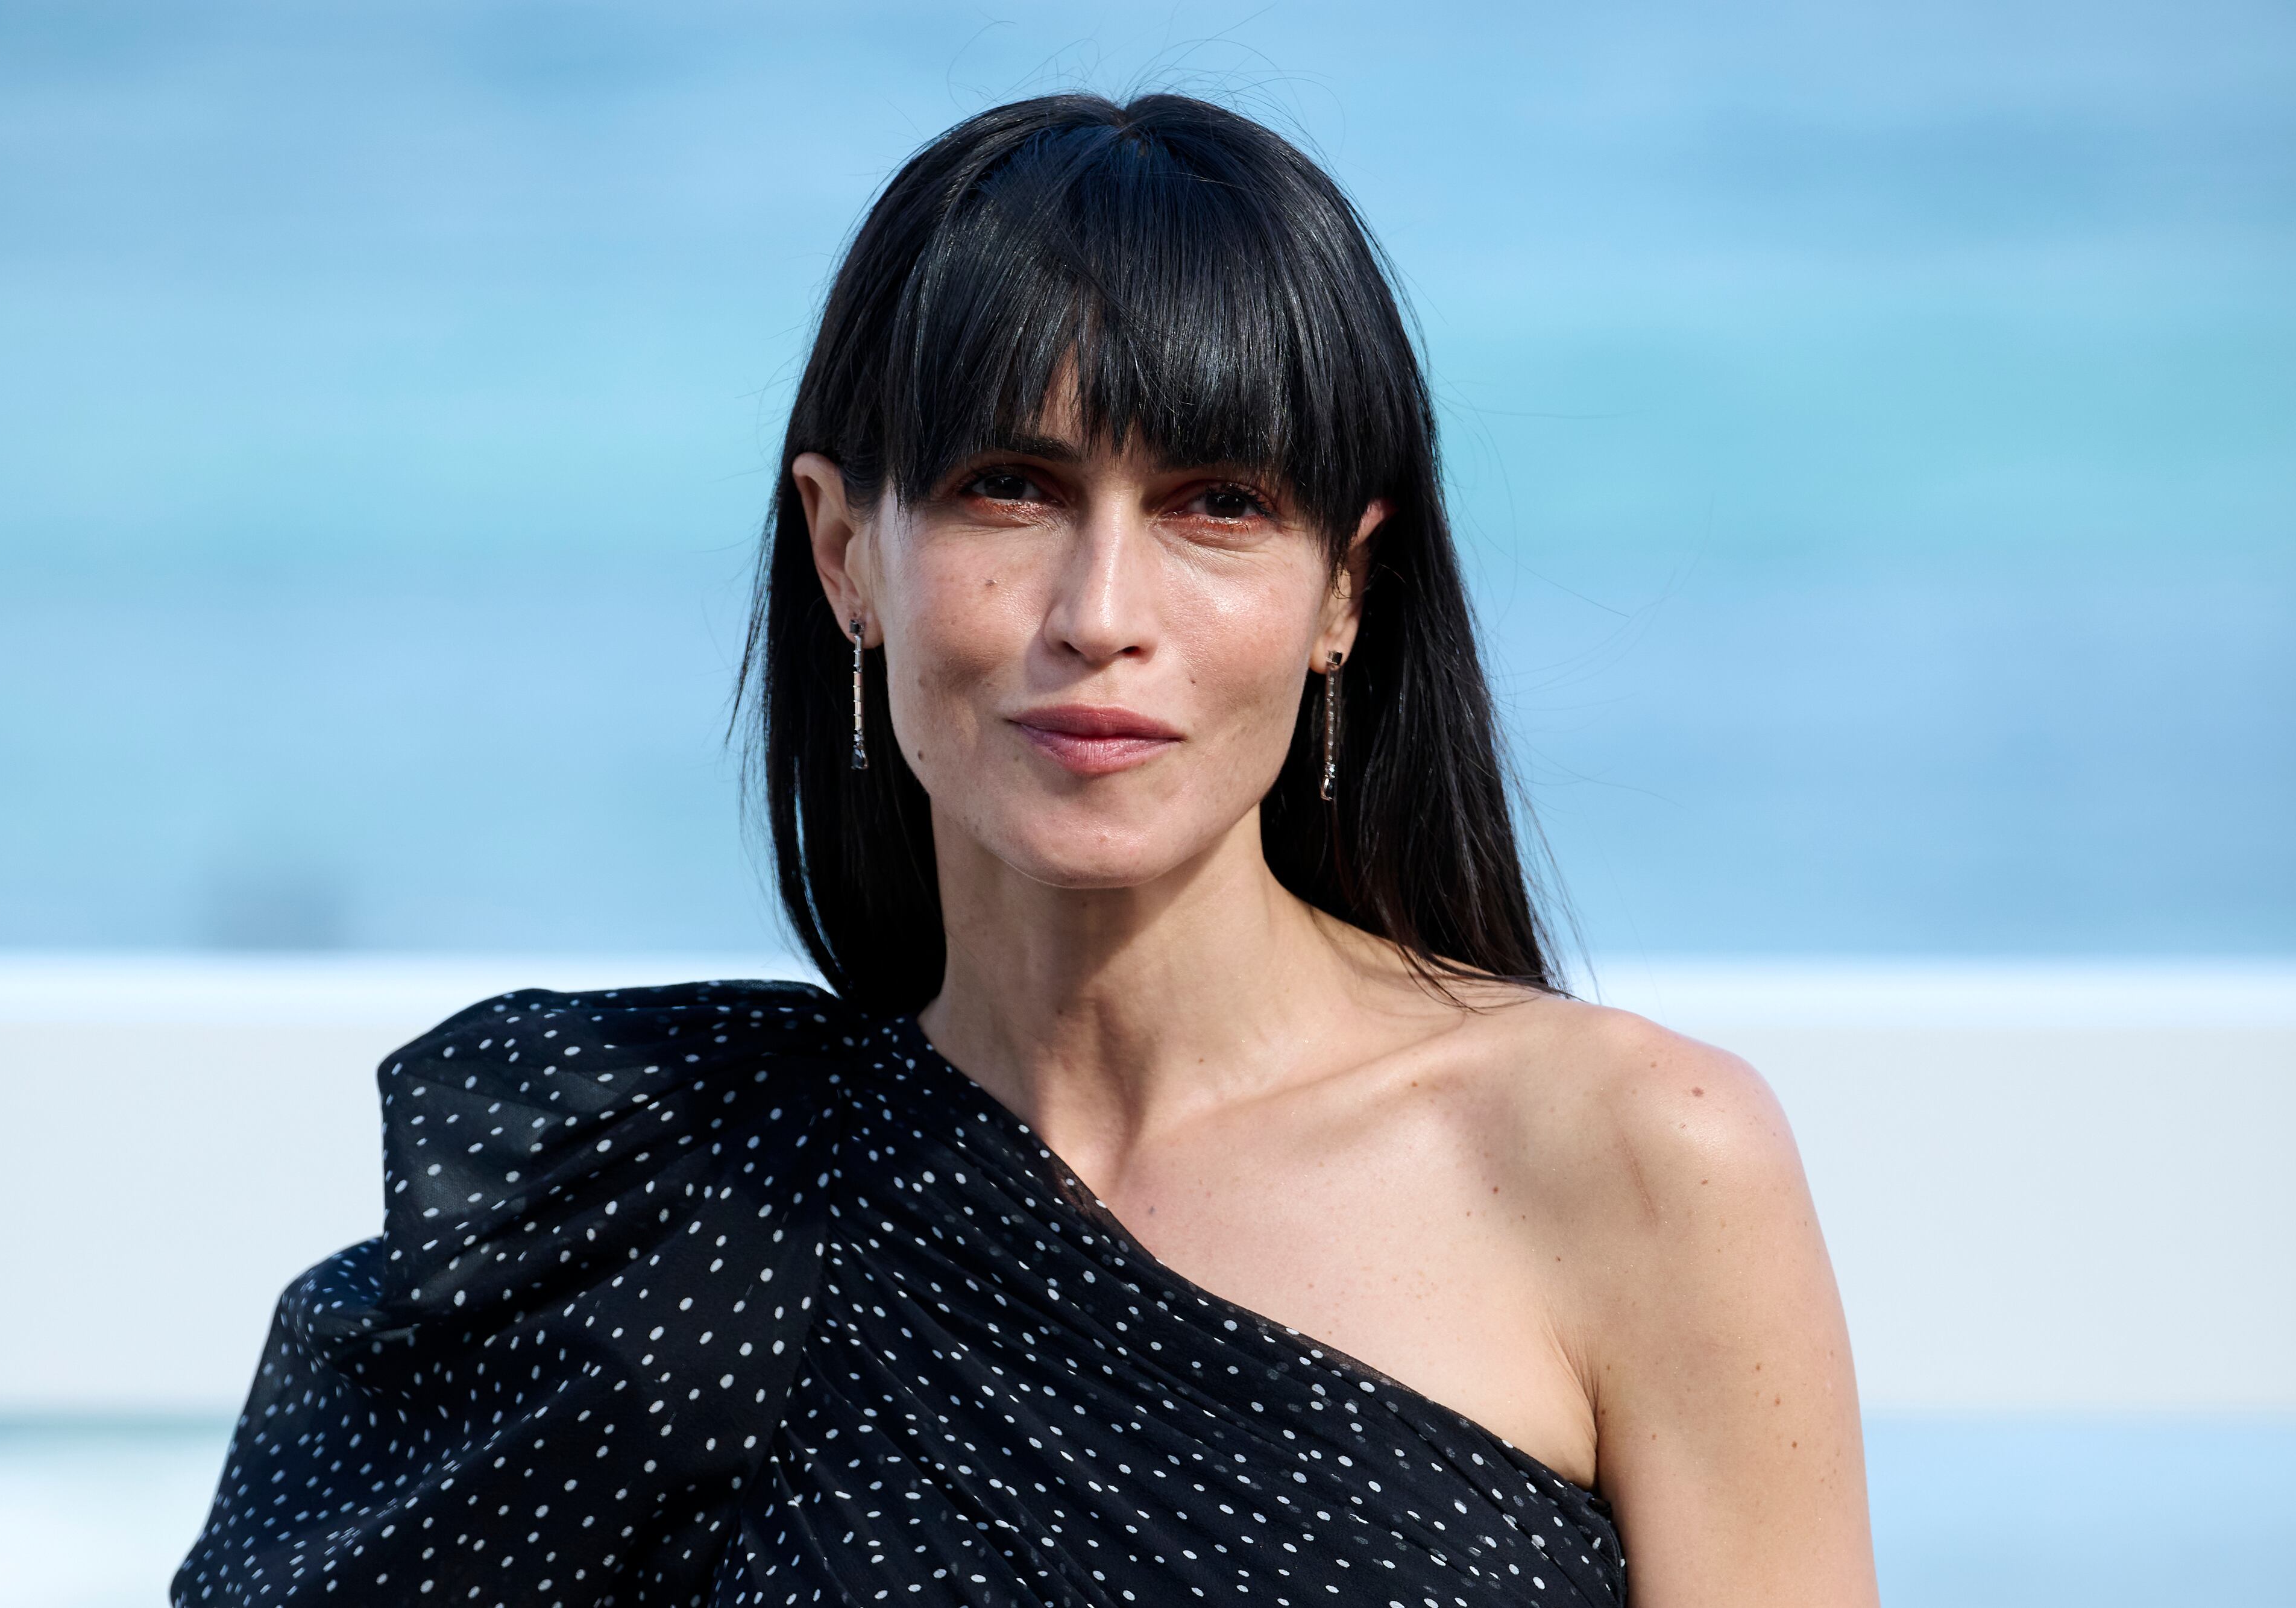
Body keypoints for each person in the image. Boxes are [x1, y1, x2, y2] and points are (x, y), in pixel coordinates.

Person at [177, 93, 1876, 1607]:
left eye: (1218, 504)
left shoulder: (1639, 1160)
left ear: (1346, 588)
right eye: (1011, 488)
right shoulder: (658, 1201)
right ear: (848, 550)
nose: (1102, 615)